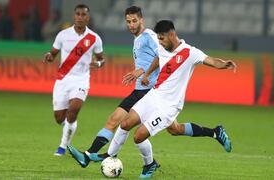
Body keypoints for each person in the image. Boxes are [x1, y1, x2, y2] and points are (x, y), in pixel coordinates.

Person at [67, 6, 233, 170]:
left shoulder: (151, 37)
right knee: (175, 129)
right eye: (128, 22)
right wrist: (145, 74)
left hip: (150, 91)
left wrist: (142, 72)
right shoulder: (143, 39)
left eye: (134, 21)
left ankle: (92, 155)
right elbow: (159, 55)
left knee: (117, 121)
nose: (131, 25)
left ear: (141, 20)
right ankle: (215, 132)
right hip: (149, 91)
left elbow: (163, 54)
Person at [43, 4, 105, 156]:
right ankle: (70, 128)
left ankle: (63, 146)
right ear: (74, 16)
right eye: (77, 14)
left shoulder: (94, 38)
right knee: (59, 118)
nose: (80, 17)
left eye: (83, 14)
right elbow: (53, 53)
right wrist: (49, 57)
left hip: (81, 80)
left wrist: (97, 64)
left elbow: (102, 60)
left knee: (73, 110)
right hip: (63, 80)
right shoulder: (63, 35)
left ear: (87, 18)